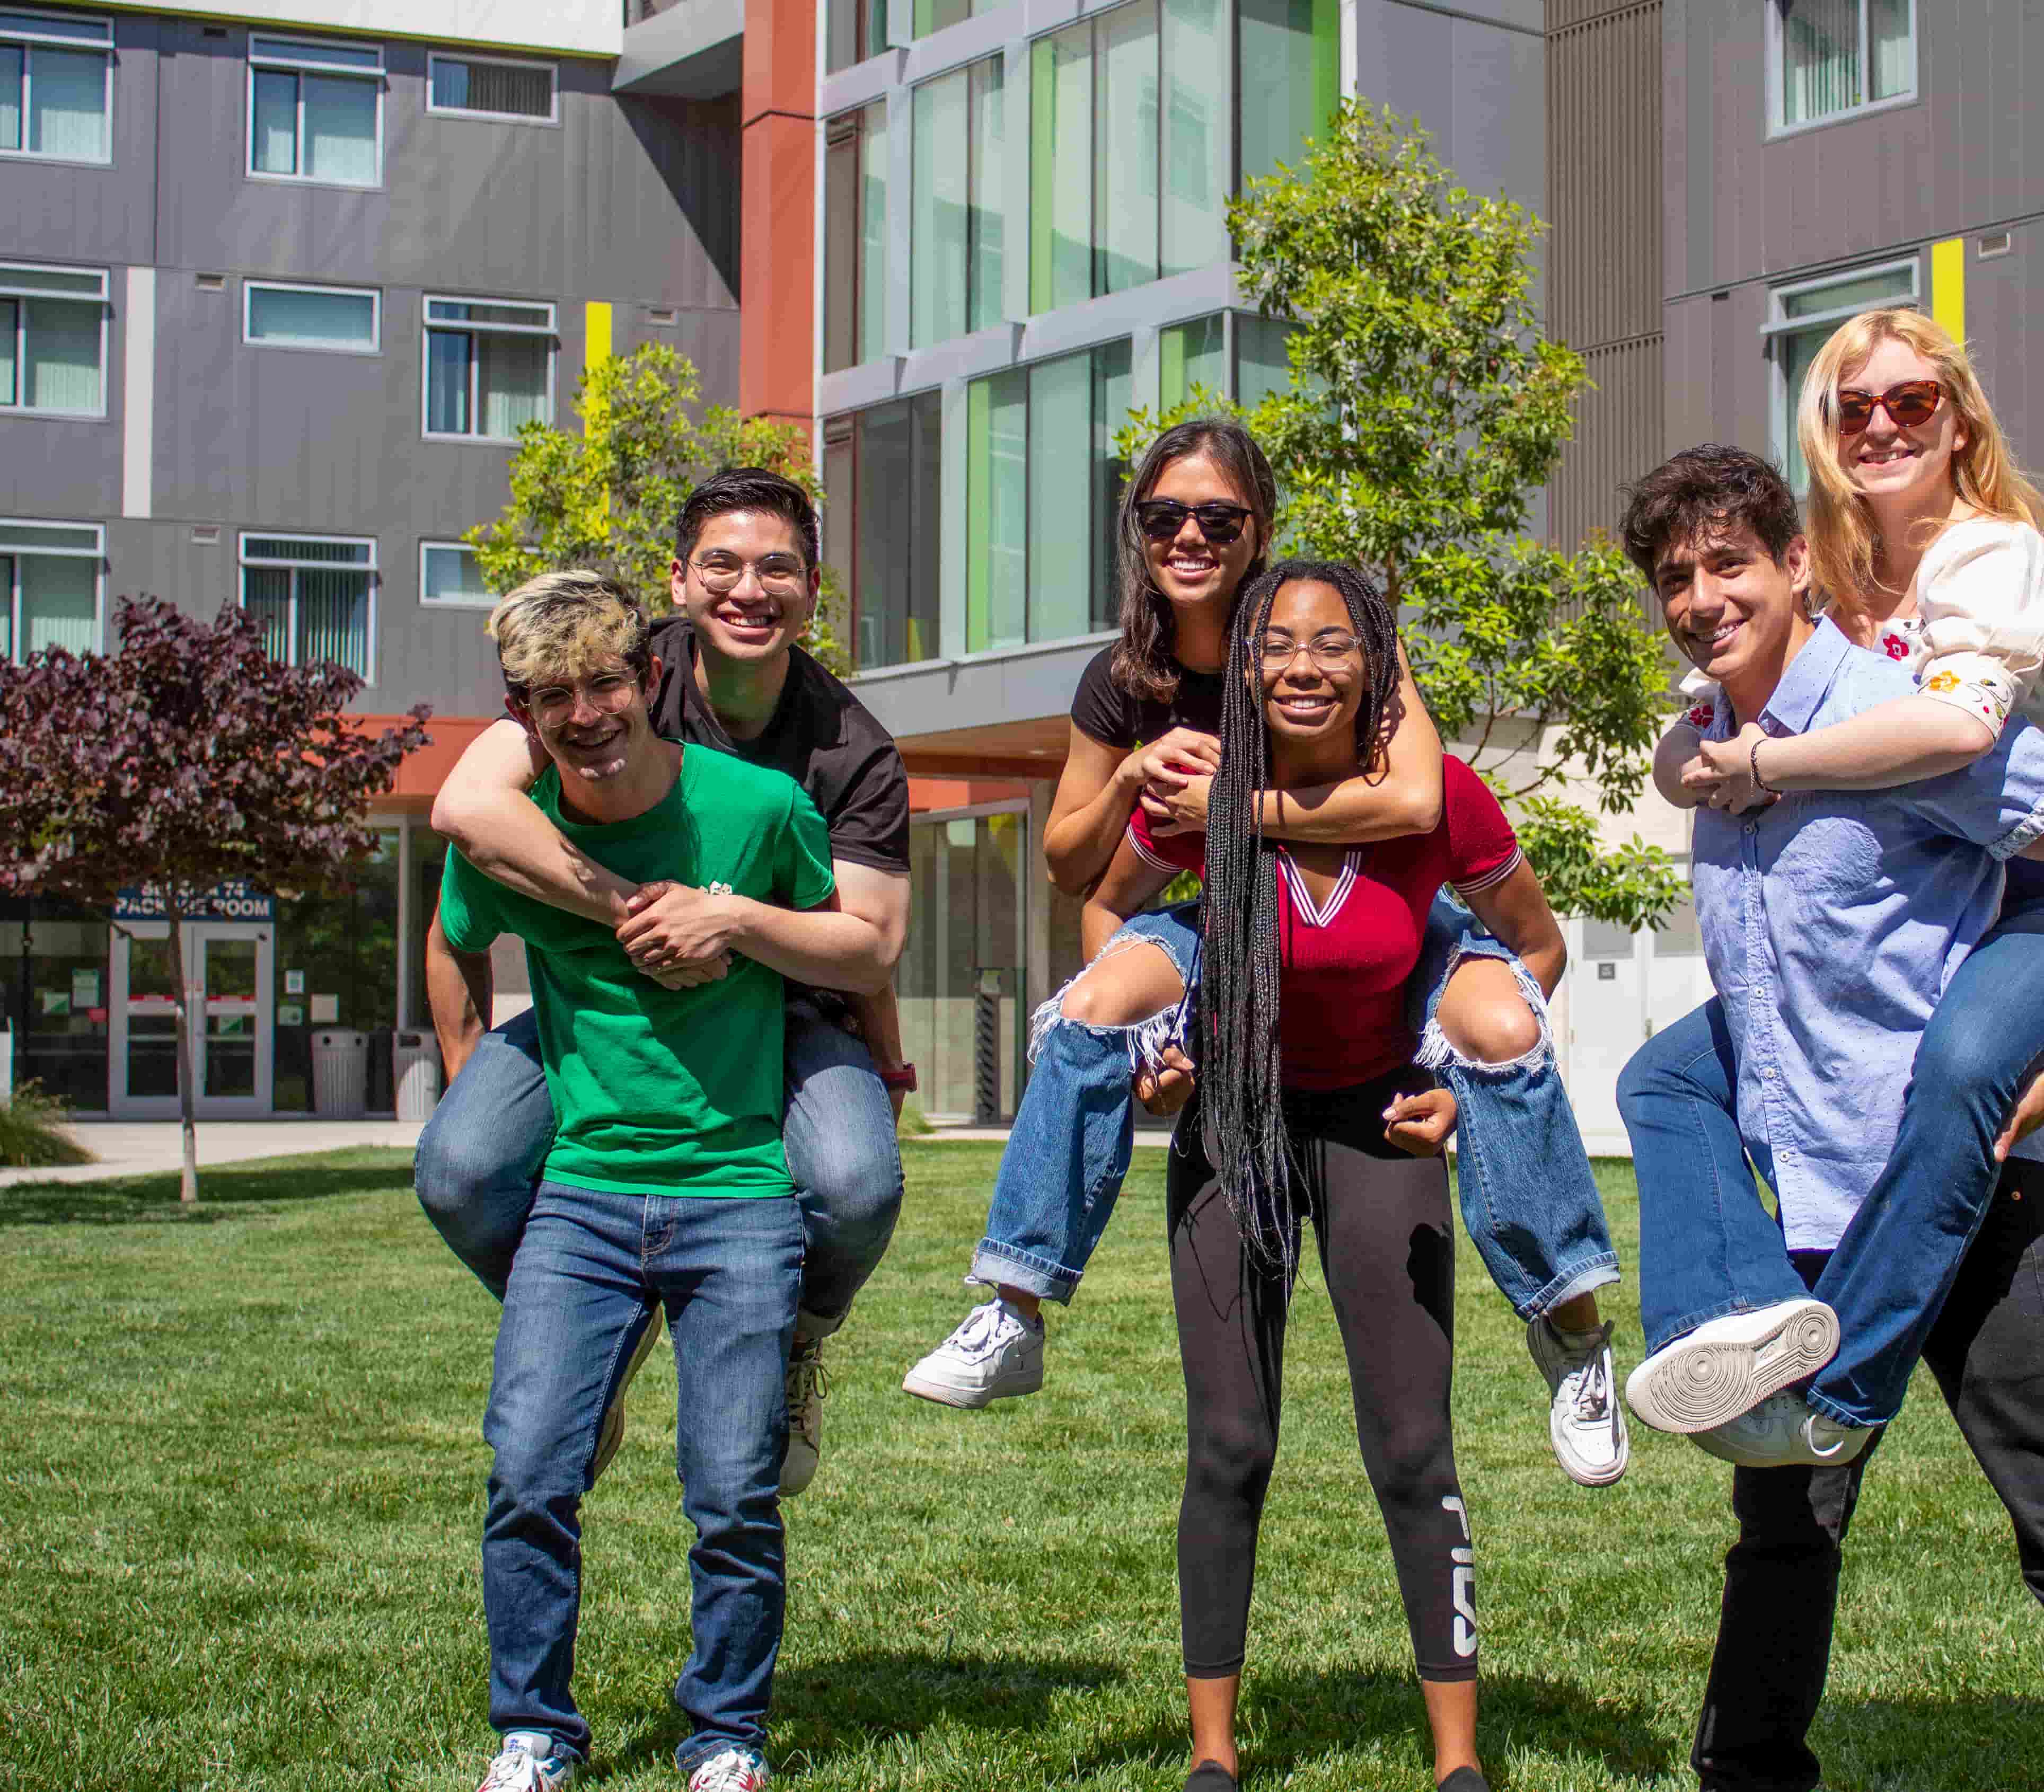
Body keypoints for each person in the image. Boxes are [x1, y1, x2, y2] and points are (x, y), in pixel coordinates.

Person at [903, 418, 1628, 1488]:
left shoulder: (1326, 639)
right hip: (1234, 915)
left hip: (1379, 915)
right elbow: (1086, 881)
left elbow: (1426, 805)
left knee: (1501, 1022)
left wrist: (1232, 808)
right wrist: (1150, 1021)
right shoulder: (1136, 687)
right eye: (1164, 515)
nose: (1189, 534)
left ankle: (1572, 1332)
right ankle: (1013, 1304)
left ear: (1262, 534)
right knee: (1100, 999)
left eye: (1218, 517)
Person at [1614, 447, 2044, 1791]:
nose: (1701, 596)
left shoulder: (1891, 715)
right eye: (1674, 577)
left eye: (1728, 563)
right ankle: (1748, 1773)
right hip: (1819, 1205)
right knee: (1784, 1529)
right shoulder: (1704, 739)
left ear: (1794, 563)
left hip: (1977, 1186)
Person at [1627, 312, 2044, 1467]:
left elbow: (1957, 726)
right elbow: (1706, 713)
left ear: (1959, 414)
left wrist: (1757, 767)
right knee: (1665, 1073)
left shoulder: (1988, 550)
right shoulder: (1836, 560)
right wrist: (1693, 761)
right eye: (1851, 406)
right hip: (1952, 877)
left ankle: (1847, 1383)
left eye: (1911, 401)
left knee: (1965, 1067)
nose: (1880, 425)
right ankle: (1735, 1322)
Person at [1086, 556, 1543, 1792]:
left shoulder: (1437, 793)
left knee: (1411, 1446)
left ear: (1374, 659)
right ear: (1241, 666)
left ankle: (1457, 1761)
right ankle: (1214, 1753)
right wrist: (1152, 1049)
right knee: (1230, 1441)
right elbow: (1104, 914)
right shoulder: (1193, 788)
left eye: (1331, 642)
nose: (1301, 665)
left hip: (1378, 1129)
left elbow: (1533, 943)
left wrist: (1465, 1070)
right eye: (1274, 643)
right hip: (1230, 1126)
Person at [431, 572, 854, 1792]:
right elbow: (456, 933)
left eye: (606, 680)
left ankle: (726, 1733)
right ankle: (535, 1730)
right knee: (527, 1471)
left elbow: (833, 944)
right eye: (553, 695)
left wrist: (870, 1059)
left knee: (731, 1492)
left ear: (650, 677)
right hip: (581, 1195)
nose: (587, 711)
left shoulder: (761, 806)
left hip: (737, 1192)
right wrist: (467, 1075)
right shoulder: (517, 838)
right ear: (520, 709)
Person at [417, 469, 912, 1498]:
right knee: (460, 1166)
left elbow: (867, 945)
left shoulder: (851, 747)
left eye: (777, 566)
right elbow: (464, 806)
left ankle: (793, 1340)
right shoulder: (604, 669)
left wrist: (725, 916)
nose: (749, 587)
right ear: (678, 582)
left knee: (858, 1185)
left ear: (812, 588)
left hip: (785, 1001)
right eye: (722, 563)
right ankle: (585, 1340)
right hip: (598, 988)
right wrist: (635, 909)